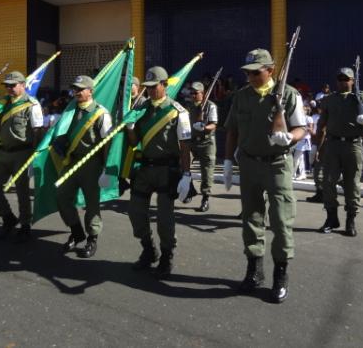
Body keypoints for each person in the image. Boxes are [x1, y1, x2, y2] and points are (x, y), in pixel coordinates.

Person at [223, 49, 307, 303]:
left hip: (278, 164)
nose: (250, 77)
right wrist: (227, 160)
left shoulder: (289, 95)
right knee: (252, 218)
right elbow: (232, 131)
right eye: (247, 72)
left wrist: (291, 137)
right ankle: (254, 269)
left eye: (256, 72)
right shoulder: (241, 96)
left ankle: (280, 274)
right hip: (249, 163)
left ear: (270, 70)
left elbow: (302, 127)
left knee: (281, 221)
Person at [126, 66, 192, 279]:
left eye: (155, 87)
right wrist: (129, 127)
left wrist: (187, 174)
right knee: (135, 211)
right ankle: (148, 248)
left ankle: (166, 255)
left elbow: (185, 146)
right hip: (144, 168)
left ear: (165, 85)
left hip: (167, 170)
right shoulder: (141, 109)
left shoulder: (177, 111)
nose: (151, 90)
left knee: (164, 218)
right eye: (148, 87)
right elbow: (134, 142)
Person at [55, 75, 112, 258]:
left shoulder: (101, 113)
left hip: (91, 163)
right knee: (62, 197)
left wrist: (105, 169)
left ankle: (92, 238)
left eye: (81, 89)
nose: (77, 92)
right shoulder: (69, 110)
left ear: (91, 91)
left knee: (92, 203)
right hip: (71, 161)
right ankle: (76, 231)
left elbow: (106, 143)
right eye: (75, 89)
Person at [0, 71, 43, 241]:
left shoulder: (32, 104)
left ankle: (25, 225)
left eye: (13, 85)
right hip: (3, 152)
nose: (9, 88)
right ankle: (8, 218)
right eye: (7, 85)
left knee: (22, 192)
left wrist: (34, 155)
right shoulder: (3, 104)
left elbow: (37, 130)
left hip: (23, 152)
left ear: (23, 85)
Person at [316, 67, 363, 237]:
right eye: (340, 79)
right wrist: (318, 147)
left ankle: (350, 220)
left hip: (353, 145)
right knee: (327, 181)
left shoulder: (362, 97)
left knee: (352, 183)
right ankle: (331, 218)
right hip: (333, 145)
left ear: (353, 80)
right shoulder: (328, 100)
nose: (343, 82)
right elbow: (322, 125)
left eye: (346, 79)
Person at [186, 81, 218, 212]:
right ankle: (190, 189)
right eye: (191, 93)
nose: (193, 95)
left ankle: (205, 198)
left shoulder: (210, 106)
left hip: (206, 143)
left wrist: (204, 128)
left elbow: (214, 124)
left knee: (207, 172)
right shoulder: (188, 106)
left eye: (196, 93)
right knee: (183, 165)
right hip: (192, 141)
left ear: (203, 94)